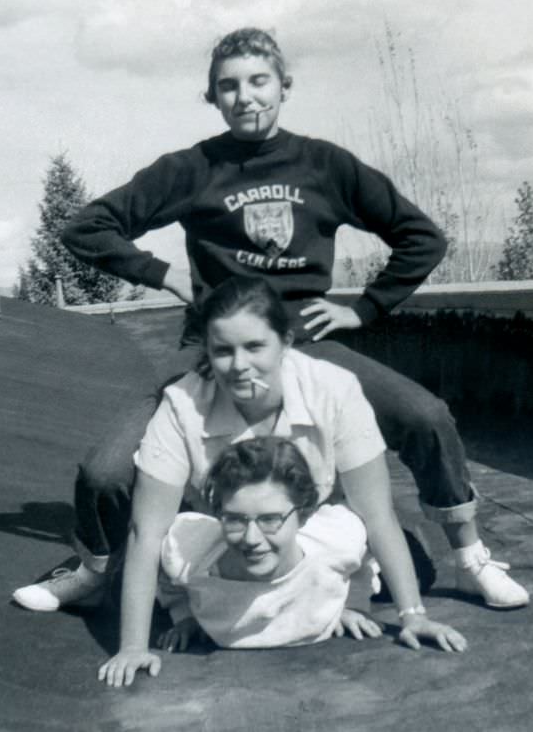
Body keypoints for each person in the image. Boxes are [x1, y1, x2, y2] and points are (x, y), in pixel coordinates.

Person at [12, 27, 528, 613]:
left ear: (284, 86)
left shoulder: (325, 166)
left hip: (305, 342)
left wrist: (364, 308)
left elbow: (421, 237)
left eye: (259, 81)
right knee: (104, 470)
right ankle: (94, 569)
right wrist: (162, 274)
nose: (246, 96)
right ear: (212, 97)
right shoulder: (190, 169)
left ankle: (469, 559)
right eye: (228, 86)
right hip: (213, 349)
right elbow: (85, 227)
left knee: (426, 416)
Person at [98, 278, 467, 688]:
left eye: (255, 346)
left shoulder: (334, 389)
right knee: (125, 591)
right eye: (223, 350)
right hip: (224, 533)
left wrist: (412, 615)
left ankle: (324, 590)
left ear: (285, 342)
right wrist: (133, 645)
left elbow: (376, 515)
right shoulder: (182, 405)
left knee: (415, 572)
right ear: (207, 351)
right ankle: (93, 568)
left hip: (309, 526)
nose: (239, 365)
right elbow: (147, 531)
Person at [154, 437, 419, 653]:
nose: (251, 539)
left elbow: (364, 546)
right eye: (234, 520)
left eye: (270, 520)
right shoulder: (190, 551)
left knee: (421, 568)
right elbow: (164, 568)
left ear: (303, 516)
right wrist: (183, 615)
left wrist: (352, 603)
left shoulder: (335, 540)